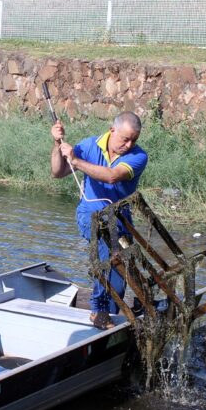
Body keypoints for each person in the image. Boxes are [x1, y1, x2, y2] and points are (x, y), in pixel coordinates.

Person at [51, 111, 148, 329]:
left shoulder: (139, 156)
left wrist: (76, 160)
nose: (129, 144)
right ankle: (99, 311)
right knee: (105, 244)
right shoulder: (89, 145)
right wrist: (57, 144)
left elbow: (112, 176)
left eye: (134, 140)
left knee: (120, 268)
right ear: (112, 130)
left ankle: (110, 317)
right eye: (125, 139)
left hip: (121, 220)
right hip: (90, 214)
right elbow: (58, 172)